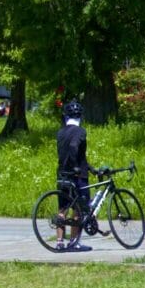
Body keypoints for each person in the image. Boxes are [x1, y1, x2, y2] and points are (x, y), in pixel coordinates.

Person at [55, 100, 93, 252]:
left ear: (66, 116)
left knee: (62, 208)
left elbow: (72, 154)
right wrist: (76, 167)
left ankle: (59, 242)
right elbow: (73, 148)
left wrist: (91, 168)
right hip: (77, 175)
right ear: (80, 116)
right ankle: (73, 242)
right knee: (78, 209)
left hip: (62, 173)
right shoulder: (80, 131)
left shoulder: (61, 132)